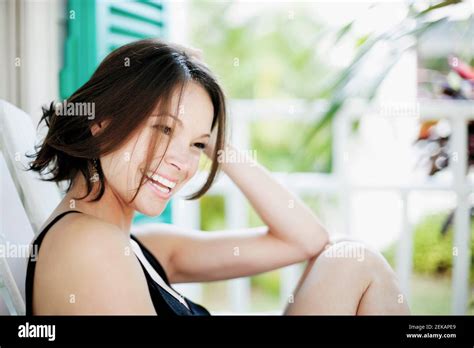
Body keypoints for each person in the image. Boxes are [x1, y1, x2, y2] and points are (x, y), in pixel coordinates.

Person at [26, 38, 410, 315]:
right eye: (163, 129)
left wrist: (217, 143)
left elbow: (308, 240)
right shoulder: (89, 246)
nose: (183, 162)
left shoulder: (142, 248)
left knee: (352, 258)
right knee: (357, 261)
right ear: (103, 121)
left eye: (196, 146)